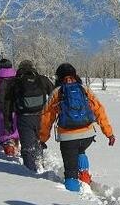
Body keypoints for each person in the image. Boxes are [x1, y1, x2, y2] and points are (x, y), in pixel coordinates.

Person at [39, 63, 115, 192]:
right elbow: (99, 111)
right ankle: (84, 176)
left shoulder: (57, 93)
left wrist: (42, 139)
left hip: (68, 137)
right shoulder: (84, 89)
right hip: (88, 135)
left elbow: (47, 117)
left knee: (70, 170)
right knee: (80, 150)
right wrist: (109, 133)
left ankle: (73, 194)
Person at [2, 60, 54, 173]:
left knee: (27, 148)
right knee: (38, 142)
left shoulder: (14, 82)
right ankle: (40, 163)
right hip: (41, 116)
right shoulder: (42, 79)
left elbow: (7, 104)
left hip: (24, 118)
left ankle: (30, 174)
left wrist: (8, 122)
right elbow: (55, 94)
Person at [0, 58, 20, 156]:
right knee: (15, 134)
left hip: (2, 113)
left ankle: (10, 155)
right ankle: (16, 148)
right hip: (16, 113)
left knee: (6, 139)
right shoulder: (17, 80)